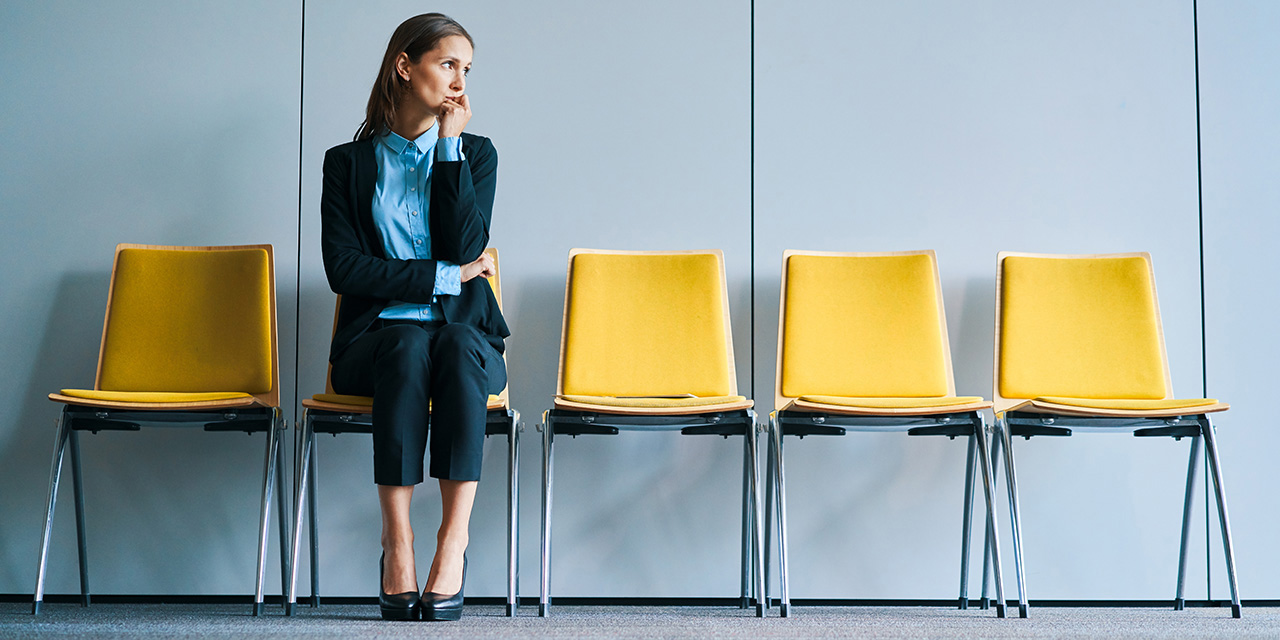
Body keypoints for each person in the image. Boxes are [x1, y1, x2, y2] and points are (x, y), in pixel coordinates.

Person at [318, 12, 508, 622]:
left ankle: (453, 541)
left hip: (465, 338)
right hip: (377, 341)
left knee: (451, 343)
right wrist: (445, 277)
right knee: (404, 344)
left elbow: (463, 242)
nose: (460, 81)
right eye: (448, 64)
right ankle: (396, 541)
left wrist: (448, 148)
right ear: (406, 65)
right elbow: (345, 270)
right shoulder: (346, 165)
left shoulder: (476, 155)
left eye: (467, 70)